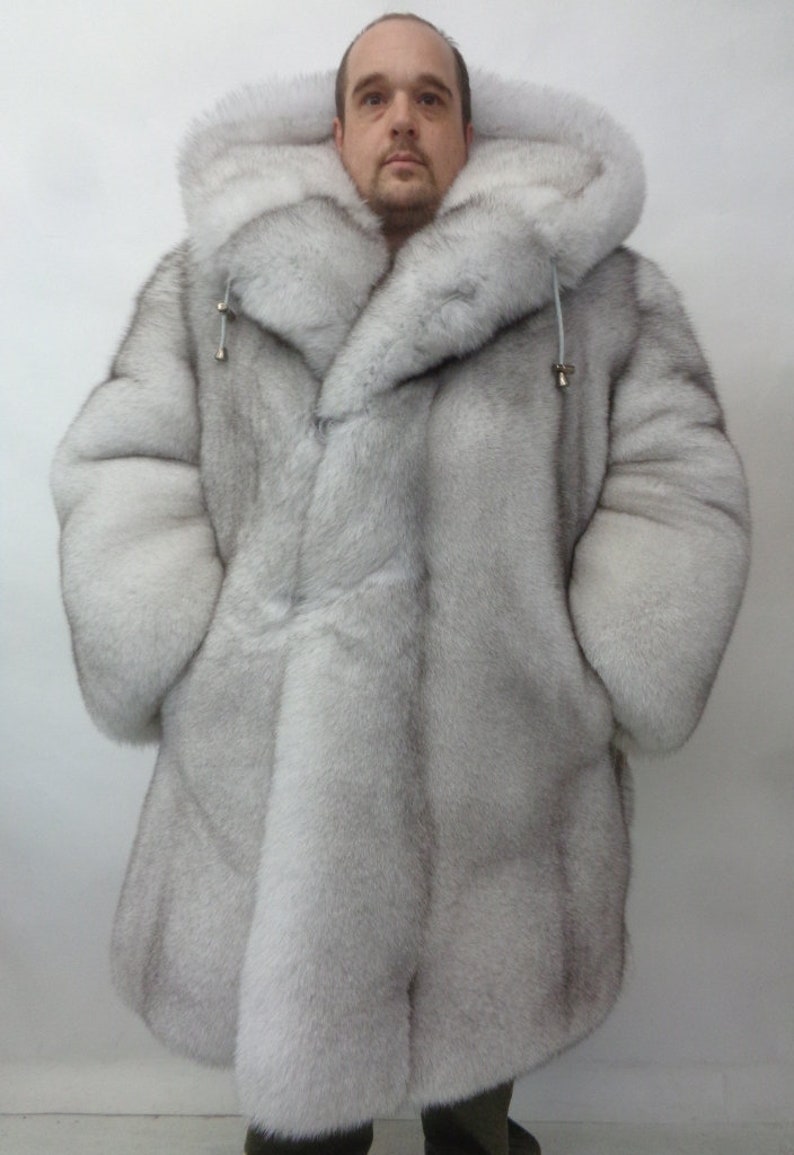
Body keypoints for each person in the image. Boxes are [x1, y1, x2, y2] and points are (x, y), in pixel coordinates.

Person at [51, 13, 750, 1155]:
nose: (402, 120)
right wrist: (184, 649)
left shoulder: (593, 293)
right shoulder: (214, 285)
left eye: (430, 97)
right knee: (298, 1125)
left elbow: (678, 483)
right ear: (336, 129)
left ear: (469, 128)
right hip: (261, 787)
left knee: (473, 1117)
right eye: (373, 97)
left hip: (501, 800)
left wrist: (593, 672)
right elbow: (121, 465)